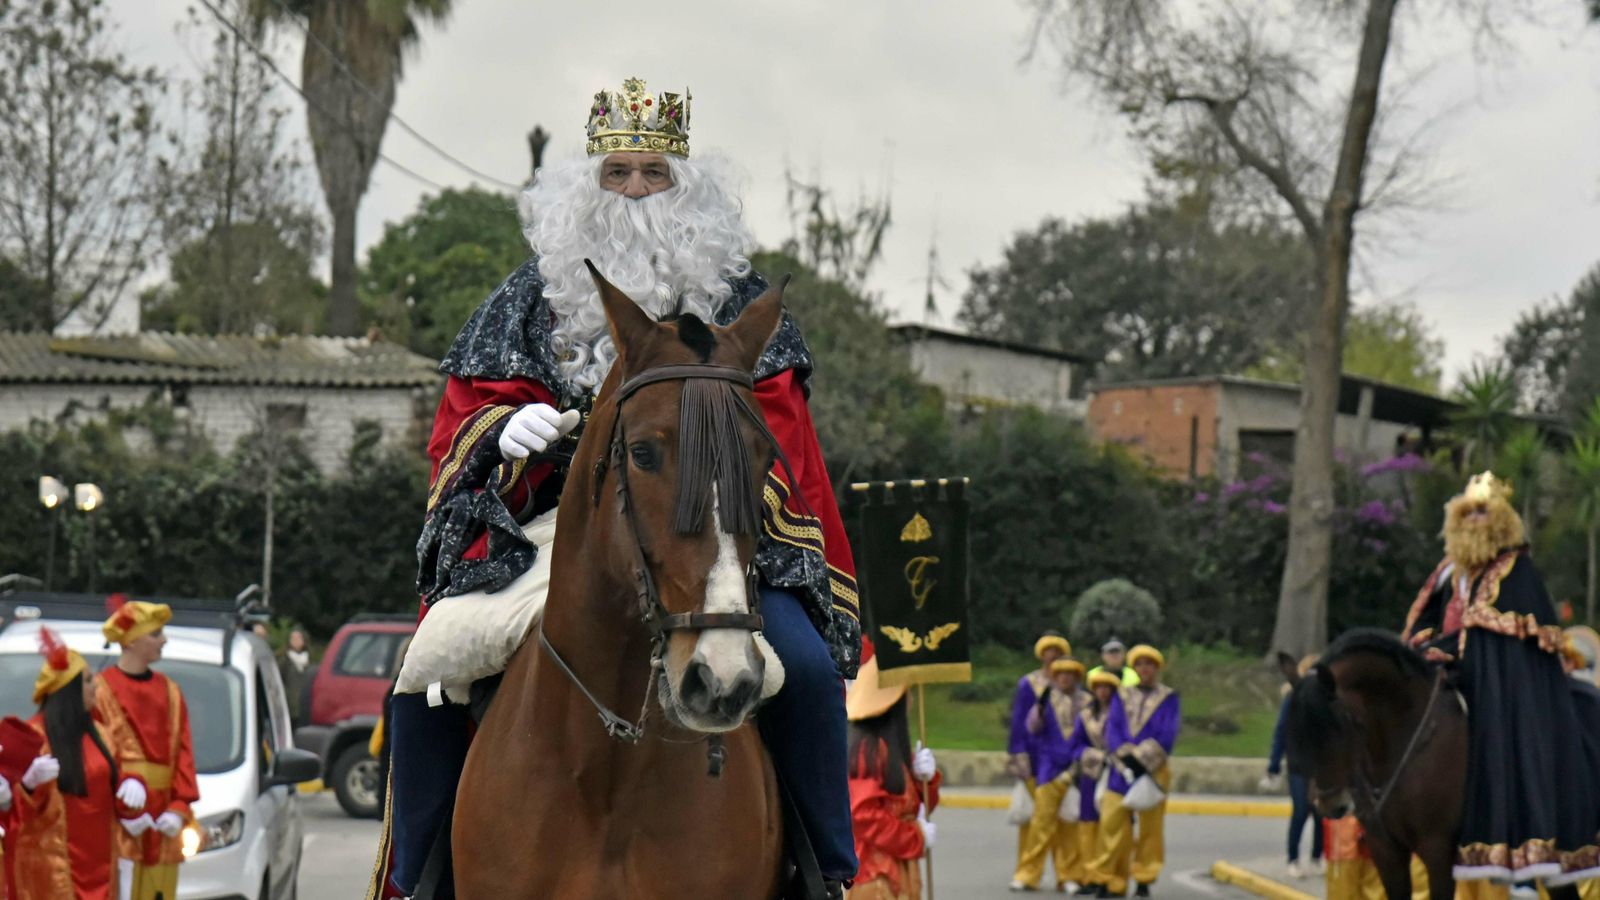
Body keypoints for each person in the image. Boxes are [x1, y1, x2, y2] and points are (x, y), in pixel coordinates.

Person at [372, 76, 863, 900]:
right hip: (557, 534)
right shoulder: (524, 301)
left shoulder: (742, 309)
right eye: (618, 173)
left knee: (808, 670)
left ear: (688, 190)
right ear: (586, 188)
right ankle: (418, 880)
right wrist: (503, 432)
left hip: (721, 535)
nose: (635, 190)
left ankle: (828, 877)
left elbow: (787, 451)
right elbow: (460, 420)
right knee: (430, 664)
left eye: (654, 173)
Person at [1401, 472, 1600, 884]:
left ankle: (1522, 855)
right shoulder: (1448, 574)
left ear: (1501, 521)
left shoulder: (1515, 570)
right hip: (1449, 671)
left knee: (1511, 736)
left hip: (1503, 685)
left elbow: (1503, 635)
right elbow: (1425, 624)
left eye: (1483, 512)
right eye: (1468, 512)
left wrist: (1456, 645)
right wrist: (1428, 646)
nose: (1475, 520)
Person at [7, 628, 131, 899]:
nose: (96, 687)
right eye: (88, 681)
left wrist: (134, 787)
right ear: (69, 690)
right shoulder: (31, 738)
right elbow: (10, 813)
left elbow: (118, 788)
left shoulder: (103, 734)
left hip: (101, 868)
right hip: (51, 871)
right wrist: (27, 786)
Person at [97, 598, 198, 900]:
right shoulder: (100, 691)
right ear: (131, 641)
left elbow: (184, 755)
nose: (164, 640)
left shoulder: (171, 691)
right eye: (155, 634)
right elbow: (94, 758)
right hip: (116, 822)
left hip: (163, 820)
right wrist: (119, 806)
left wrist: (180, 809)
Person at [844, 644, 939, 900]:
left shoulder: (892, 749)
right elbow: (863, 816)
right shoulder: (869, 751)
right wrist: (914, 836)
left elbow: (914, 806)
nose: (911, 701)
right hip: (876, 875)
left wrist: (925, 781)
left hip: (898, 867)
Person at [1091, 645, 1180, 898]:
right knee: (1111, 823)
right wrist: (1126, 756)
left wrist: (1142, 760)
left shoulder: (1168, 698)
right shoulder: (1121, 695)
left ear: (1157, 668)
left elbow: (1167, 733)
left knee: (1150, 829)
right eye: (1139, 664)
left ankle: (1143, 880)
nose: (1145, 669)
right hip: (1121, 769)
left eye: (1149, 664)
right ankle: (1106, 880)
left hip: (1153, 770)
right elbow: (1114, 728)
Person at [1012, 657, 1093, 892]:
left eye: (1070, 674)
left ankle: (1069, 875)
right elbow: (1032, 728)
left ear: (1077, 677)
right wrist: (1038, 707)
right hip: (1049, 769)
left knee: (1070, 824)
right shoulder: (1047, 700)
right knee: (1040, 823)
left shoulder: (1087, 702)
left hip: (1075, 769)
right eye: (1060, 674)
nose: (1065, 678)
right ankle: (1028, 874)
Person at [1007, 632, 1071, 887]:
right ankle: (1028, 872)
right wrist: (1017, 753)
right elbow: (1018, 722)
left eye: (1057, 651)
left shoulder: (1069, 685)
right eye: (1048, 651)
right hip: (1032, 758)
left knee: (1062, 820)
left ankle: (1065, 874)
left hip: (1058, 762)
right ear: (1041, 654)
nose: (1052, 656)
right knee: (1032, 821)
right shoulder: (1029, 683)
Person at [1265, 654, 1323, 880]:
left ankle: (1317, 858)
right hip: (1298, 764)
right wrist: (1274, 763)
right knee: (1300, 811)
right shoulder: (1293, 699)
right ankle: (1293, 859)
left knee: (1321, 813)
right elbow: (1281, 731)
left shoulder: (1326, 701)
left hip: (1320, 765)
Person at [277, 626, 313, 728]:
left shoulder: (309, 659)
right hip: (290, 705)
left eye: (298, 638)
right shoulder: (284, 660)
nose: (296, 641)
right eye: (293, 638)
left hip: (305, 704)